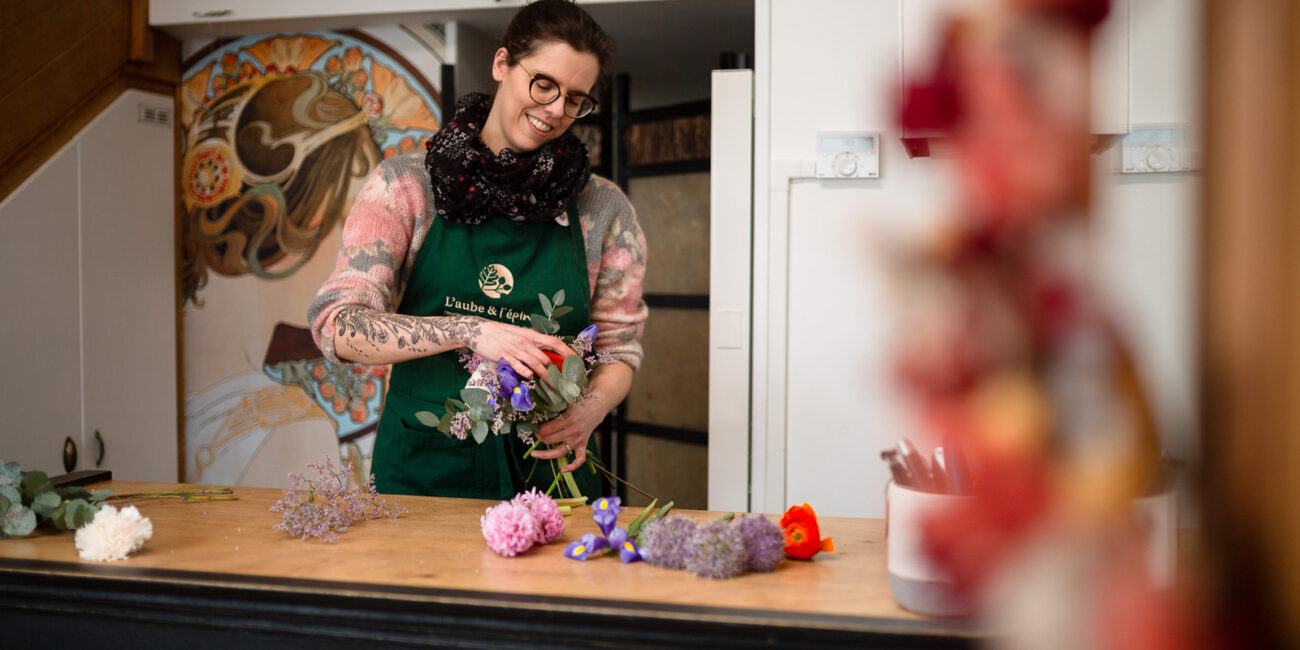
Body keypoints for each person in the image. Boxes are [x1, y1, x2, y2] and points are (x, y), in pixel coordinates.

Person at [308, 0, 646, 500]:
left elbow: (617, 347)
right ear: (502, 64)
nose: (555, 110)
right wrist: (471, 330)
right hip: (425, 474)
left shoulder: (603, 208)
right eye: (544, 84)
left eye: (576, 98)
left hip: (552, 481)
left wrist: (589, 411)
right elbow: (338, 326)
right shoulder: (406, 188)